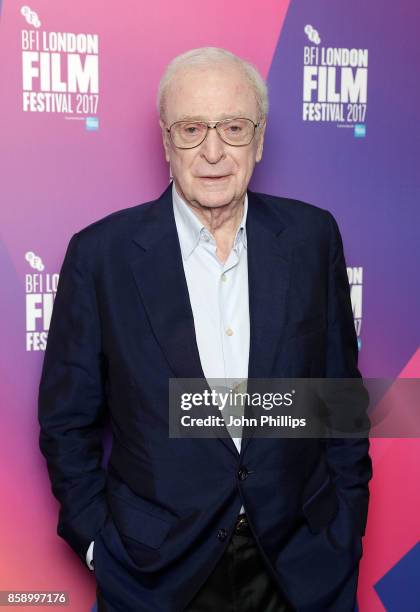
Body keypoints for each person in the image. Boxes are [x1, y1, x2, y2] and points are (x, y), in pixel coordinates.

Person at [38, 47, 372, 611]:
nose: (213, 151)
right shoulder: (101, 255)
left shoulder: (313, 238)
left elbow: (339, 402)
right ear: (166, 141)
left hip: (302, 564)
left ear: (259, 139)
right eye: (192, 129)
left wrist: (345, 528)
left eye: (234, 128)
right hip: (156, 572)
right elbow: (67, 423)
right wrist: (100, 544)